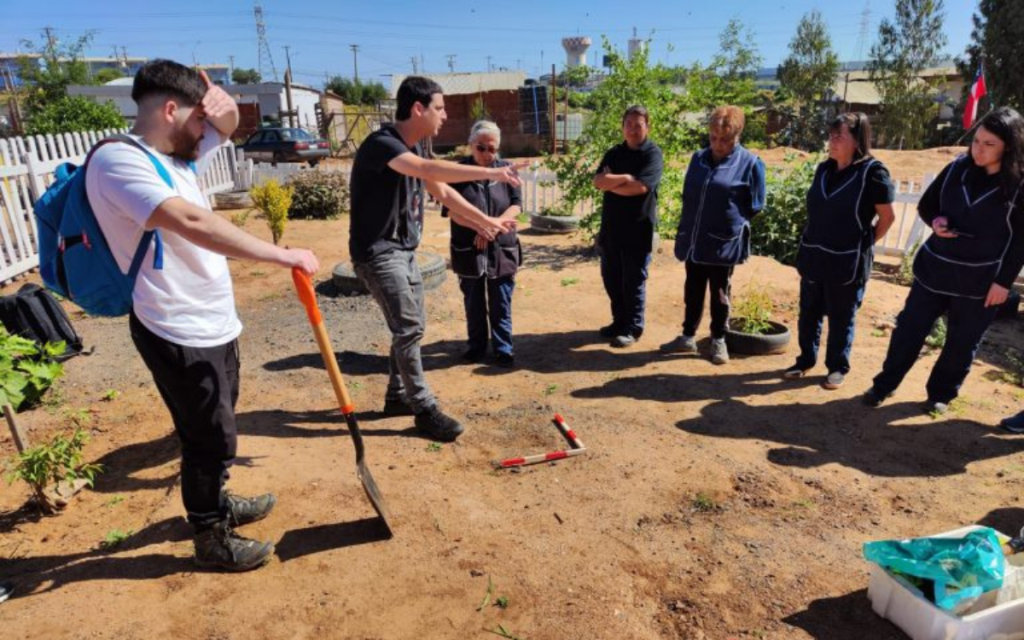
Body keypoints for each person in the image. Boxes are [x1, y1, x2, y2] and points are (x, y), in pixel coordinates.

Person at [86, 60, 320, 571]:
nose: (205, 134)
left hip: (212, 321)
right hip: (175, 326)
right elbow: (190, 220)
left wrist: (227, 109)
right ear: (171, 110)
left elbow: (228, 127)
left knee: (220, 426)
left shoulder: (176, 156)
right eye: (198, 121)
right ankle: (210, 535)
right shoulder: (119, 163)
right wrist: (281, 254)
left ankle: (217, 500)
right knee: (206, 436)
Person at [349, 76, 521, 442]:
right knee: (409, 328)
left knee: (411, 328)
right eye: (439, 108)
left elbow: (441, 191)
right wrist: (492, 171)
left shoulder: (414, 151)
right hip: (378, 253)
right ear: (418, 108)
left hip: (404, 251)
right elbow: (430, 172)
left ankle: (397, 396)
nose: (444, 116)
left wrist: (486, 221)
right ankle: (424, 410)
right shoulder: (384, 144)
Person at [864, 107, 1024, 413]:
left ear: (1009, 145)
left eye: (989, 144)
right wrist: (936, 221)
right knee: (908, 330)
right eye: (977, 141)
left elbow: (1020, 240)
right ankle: (884, 384)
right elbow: (927, 205)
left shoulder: (1018, 186)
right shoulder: (957, 168)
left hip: (980, 281)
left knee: (961, 343)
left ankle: (941, 394)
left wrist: (1003, 283)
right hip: (935, 270)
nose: (978, 150)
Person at [784, 113, 896, 389]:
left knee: (841, 316)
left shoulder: (873, 173)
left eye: (839, 136)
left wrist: (863, 244)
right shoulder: (824, 169)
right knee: (808, 312)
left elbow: (887, 218)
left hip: (847, 261)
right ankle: (805, 360)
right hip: (815, 254)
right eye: (831, 135)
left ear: (857, 140)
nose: (831, 141)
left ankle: (837, 367)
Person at [661, 106, 766, 364]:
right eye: (713, 138)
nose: (718, 144)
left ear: (737, 136)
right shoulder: (698, 158)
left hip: (723, 243)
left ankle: (718, 339)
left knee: (720, 292)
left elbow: (756, 205)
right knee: (692, 289)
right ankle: (687, 337)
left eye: (725, 139)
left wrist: (728, 222)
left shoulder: (750, 164)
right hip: (695, 240)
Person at [442, 121, 522, 368]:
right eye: (481, 148)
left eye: (492, 148)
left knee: (501, 301)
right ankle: (476, 347)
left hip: (501, 247)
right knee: (473, 302)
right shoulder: (458, 172)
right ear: (470, 145)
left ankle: (503, 348)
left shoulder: (507, 169)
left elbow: (516, 206)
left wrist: (492, 227)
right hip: (469, 247)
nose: (488, 154)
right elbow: (452, 211)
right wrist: (480, 227)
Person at [593, 105, 664, 348]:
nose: (633, 129)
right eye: (629, 125)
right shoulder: (614, 153)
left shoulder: (652, 154)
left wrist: (614, 182)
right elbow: (598, 181)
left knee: (632, 281)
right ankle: (618, 321)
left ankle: (633, 327)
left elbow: (641, 187)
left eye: (638, 125)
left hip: (637, 230)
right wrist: (625, 178)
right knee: (611, 278)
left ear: (647, 127)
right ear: (622, 127)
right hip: (611, 230)